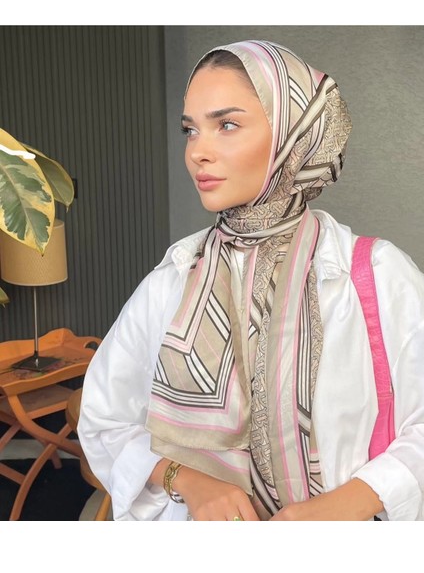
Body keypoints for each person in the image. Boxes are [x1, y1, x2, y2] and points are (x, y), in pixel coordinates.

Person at [77, 39, 424, 521]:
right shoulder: (174, 280)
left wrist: (346, 505)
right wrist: (189, 480)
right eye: (190, 130)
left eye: (227, 125)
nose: (198, 152)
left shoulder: (374, 275)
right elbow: (106, 421)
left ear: (293, 134)